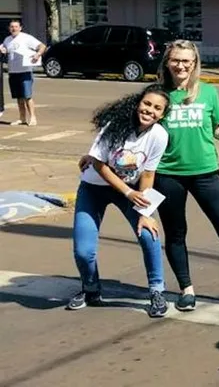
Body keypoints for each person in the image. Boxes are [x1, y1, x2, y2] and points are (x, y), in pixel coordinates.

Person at [81, 40, 219, 311]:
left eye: (187, 61)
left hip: (206, 172)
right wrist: (93, 154)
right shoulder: (160, 96)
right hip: (167, 175)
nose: (181, 65)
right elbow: (130, 126)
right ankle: (187, 290)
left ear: (194, 64)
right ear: (167, 63)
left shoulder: (208, 92)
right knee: (176, 234)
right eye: (176, 60)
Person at [70, 84, 170, 318]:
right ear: (138, 103)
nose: (150, 110)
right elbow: (98, 163)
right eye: (147, 104)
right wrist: (127, 192)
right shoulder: (115, 125)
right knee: (84, 251)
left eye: (157, 108)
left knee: (149, 233)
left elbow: (147, 175)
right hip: (94, 188)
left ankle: (157, 291)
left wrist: (145, 214)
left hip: (134, 189)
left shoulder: (159, 135)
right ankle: (90, 288)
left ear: (162, 114)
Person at [0, 19, 46, 126]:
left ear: (20, 28)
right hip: (13, 72)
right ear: (9, 28)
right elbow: (5, 49)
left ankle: (33, 118)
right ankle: (22, 118)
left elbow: (42, 46)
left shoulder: (26, 38)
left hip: (25, 71)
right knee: (19, 97)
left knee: (27, 96)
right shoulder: (7, 39)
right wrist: (3, 50)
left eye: (16, 27)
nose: (14, 29)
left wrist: (38, 54)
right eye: (12, 27)